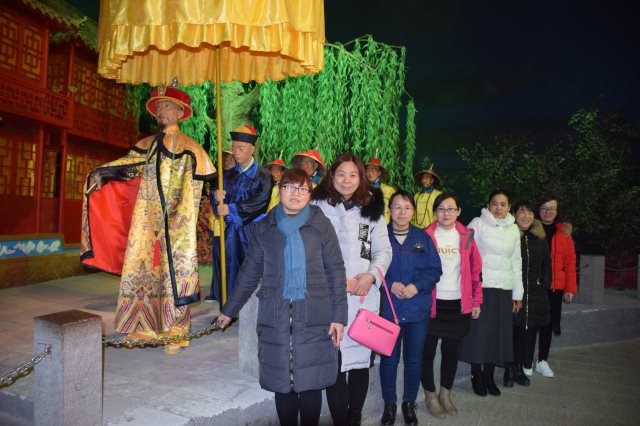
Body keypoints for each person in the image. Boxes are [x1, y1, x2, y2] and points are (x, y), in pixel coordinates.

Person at [81, 84, 216, 354]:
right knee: (142, 271)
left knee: (171, 275)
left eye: (167, 105)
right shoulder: (146, 144)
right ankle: (141, 324)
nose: (161, 110)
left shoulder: (190, 147)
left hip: (174, 223)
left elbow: (202, 182)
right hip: (145, 220)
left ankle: (175, 331)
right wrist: (101, 173)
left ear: (180, 112)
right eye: (158, 107)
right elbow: (127, 167)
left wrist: (178, 211)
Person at [216, 169, 348, 426]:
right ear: (280, 190)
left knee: (310, 383)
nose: (295, 193)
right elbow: (249, 272)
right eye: (289, 187)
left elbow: (336, 271)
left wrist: (339, 317)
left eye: (302, 188)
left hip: (313, 316)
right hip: (275, 316)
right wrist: (229, 310)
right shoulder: (264, 228)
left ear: (309, 194)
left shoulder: (320, 225)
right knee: (282, 384)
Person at [311, 153, 392, 426]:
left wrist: (371, 276)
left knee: (360, 361)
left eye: (353, 175)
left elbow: (383, 251)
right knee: (333, 361)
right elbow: (308, 250)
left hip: (362, 297)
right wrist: (332, 280)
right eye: (341, 174)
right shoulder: (316, 205)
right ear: (331, 177)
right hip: (327, 295)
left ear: (362, 178)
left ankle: (354, 416)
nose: (347, 180)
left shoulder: (372, 209)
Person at [379, 190, 442, 426]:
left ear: (413, 211)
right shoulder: (379, 236)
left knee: (414, 360)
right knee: (389, 360)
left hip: (417, 310)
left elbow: (435, 269)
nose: (402, 212)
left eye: (407, 207)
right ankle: (389, 405)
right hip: (389, 310)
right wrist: (389, 284)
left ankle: (409, 404)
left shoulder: (423, 237)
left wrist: (417, 286)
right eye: (397, 207)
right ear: (389, 210)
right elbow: (368, 267)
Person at [422, 193, 483, 417]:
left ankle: (445, 394)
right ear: (435, 212)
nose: (445, 213)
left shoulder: (466, 236)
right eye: (441, 209)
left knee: (451, 352)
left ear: (458, 211)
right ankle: (430, 395)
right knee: (426, 352)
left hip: (458, 305)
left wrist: (476, 301)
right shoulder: (425, 236)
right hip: (431, 304)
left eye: (450, 209)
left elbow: (476, 271)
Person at [459, 190, 523, 397]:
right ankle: (476, 375)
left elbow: (516, 262)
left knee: (498, 333)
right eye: (495, 204)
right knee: (479, 333)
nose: (499, 208)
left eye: (503, 204)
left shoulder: (513, 229)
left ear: (509, 207)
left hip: (504, 288)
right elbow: (465, 253)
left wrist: (518, 294)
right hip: (482, 287)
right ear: (488, 205)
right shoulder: (477, 224)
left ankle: (489, 376)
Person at [211, 125, 272, 305]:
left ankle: (252, 311)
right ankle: (228, 311)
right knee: (228, 268)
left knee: (250, 270)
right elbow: (218, 202)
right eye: (234, 147)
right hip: (229, 230)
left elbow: (260, 202)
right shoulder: (227, 175)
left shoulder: (263, 176)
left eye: (241, 148)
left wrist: (231, 208)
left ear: (252, 149)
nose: (236, 152)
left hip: (252, 231)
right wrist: (217, 199)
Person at [506, 201, 551, 387]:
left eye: (530, 212)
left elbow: (547, 262)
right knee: (511, 331)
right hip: (512, 292)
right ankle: (509, 369)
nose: (526, 216)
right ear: (514, 214)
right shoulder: (509, 234)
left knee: (527, 332)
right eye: (522, 212)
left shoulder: (539, 236)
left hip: (534, 294)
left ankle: (520, 367)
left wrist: (543, 283)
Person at [535, 196, 576, 378]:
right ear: (538, 210)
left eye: (551, 208)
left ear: (557, 212)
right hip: (534, 286)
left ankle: (542, 360)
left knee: (548, 324)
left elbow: (570, 262)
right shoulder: (531, 229)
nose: (548, 211)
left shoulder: (564, 233)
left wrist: (570, 289)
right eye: (544, 208)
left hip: (555, 287)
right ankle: (525, 360)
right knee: (529, 324)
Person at [205, 149, 238, 302]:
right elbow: (214, 202)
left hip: (234, 227)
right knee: (218, 261)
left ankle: (231, 292)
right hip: (219, 227)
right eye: (226, 158)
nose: (227, 161)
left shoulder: (240, 178)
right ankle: (217, 292)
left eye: (231, 159)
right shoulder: (219, 178)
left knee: (232, 261)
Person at [365, 158, 396, 223]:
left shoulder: (389, 190)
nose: (370, 173)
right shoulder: (361, 189)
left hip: (383, 225)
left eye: (373, 170)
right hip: (364, 225)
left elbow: (395, 209)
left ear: (379, 173)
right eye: (367, 170)